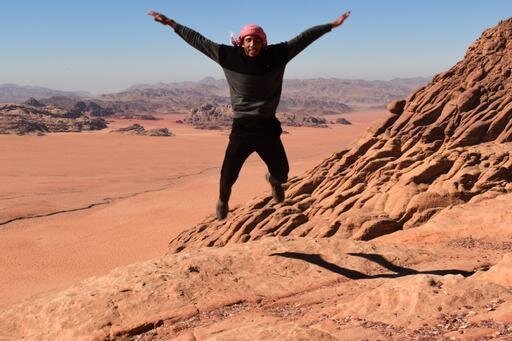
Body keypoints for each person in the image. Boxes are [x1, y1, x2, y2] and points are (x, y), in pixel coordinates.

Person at [149, 9, 350, 220]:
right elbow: (198, 41)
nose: (252, 44)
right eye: (248, 40)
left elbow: (304, 38)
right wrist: (172, 24)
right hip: (242, 128)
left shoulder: (277, 55)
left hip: (267, 127)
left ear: (263, 42)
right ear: (241, 42)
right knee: (228, 175)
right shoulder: (228, 56)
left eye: (256, 40)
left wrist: (331, 25)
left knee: (282, 173)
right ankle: (223, 200)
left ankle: (273, 181)